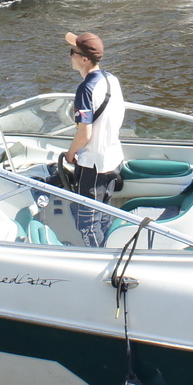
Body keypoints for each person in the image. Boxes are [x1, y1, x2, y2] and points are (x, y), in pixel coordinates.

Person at [59, 31, 126, 245]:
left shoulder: (85, 89)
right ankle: (109, 251)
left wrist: (71, 154)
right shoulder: (111, 80)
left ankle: (102, 265)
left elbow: (85, 133)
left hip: (94, 166)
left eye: (73, 52)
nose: (70, 56)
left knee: (86, 223)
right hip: (113, 159)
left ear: (84, 59)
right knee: (103, 215)